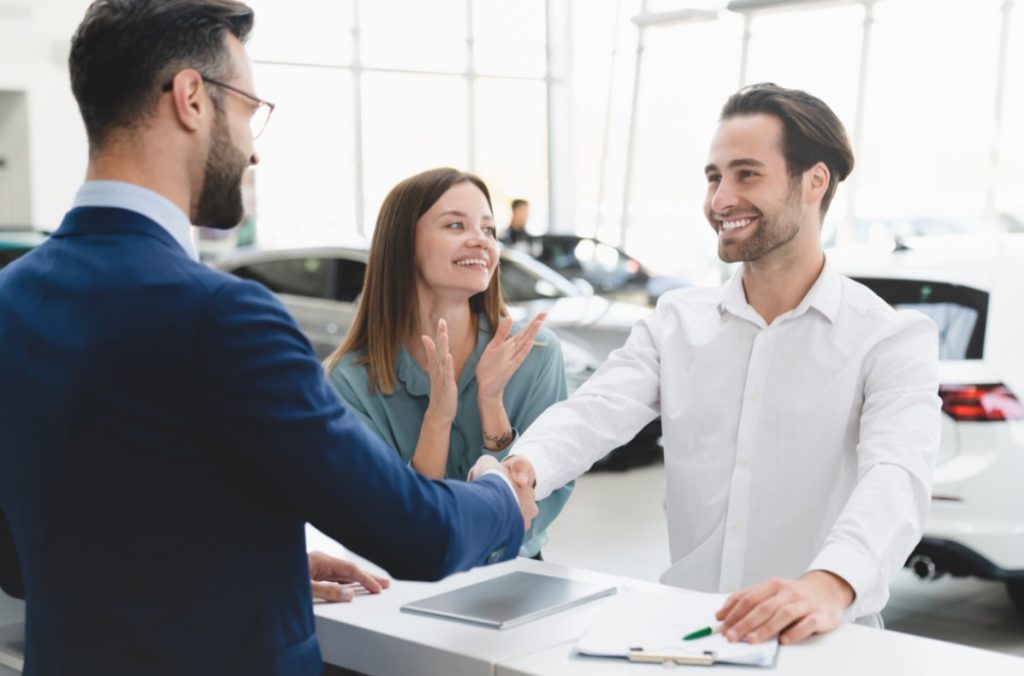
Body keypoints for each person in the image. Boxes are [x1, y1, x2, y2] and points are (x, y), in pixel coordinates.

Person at [0, 2, 535, 675]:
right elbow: (418, 534)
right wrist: (503, 499)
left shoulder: (12, 296)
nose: (254, 148)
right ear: (192, 99)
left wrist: (257, 564)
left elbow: (22, 560)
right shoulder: (221, 315)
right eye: (250, 109)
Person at [476, 83, 941, 646]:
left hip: (822, 642)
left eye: (747, 174)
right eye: (714, 177)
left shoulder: (890, 338)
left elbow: (896, 478)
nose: (721, 200)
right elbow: (596, 411)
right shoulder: (676, 323)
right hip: (693, 639)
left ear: (814, 182)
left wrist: (831, 583)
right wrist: (525, 468)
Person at [326, 168, 573, 559]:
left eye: (488, 229)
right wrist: (437, 420)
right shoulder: (350, 380)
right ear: (403, 244)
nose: (480, 240)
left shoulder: (537, 353)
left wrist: (492, 406)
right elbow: (397, 522)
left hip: (517, 572)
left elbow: (540, 503)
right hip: (406, 581)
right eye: (456, 225)